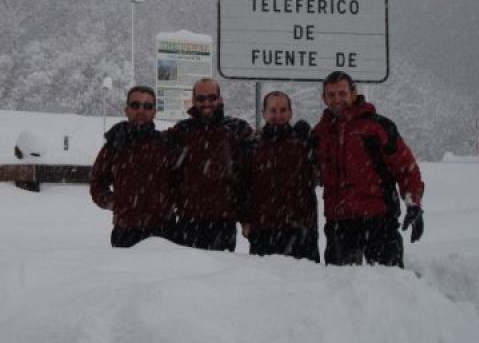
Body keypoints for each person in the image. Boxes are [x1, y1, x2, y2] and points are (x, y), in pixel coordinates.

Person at [312, 71, 424, 268]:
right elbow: (308, 172)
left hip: (379, 220)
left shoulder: (378, 127)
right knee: (340, 292)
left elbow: (405, 168)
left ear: (353, 94)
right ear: (324, 98)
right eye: (331, 95)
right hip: (339, 224)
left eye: (342, 93)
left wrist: (413, 203)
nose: (337, 100)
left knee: (391, 287)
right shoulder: (320, 133)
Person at [167, 78, 253, 251]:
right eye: (201, 98)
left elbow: (251, 173)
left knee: (220, 276)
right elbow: (152, 149)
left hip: (224, 223)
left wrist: (247, 217)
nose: (206, 103)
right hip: (188, 222)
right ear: (193, 101)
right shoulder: (181, 131)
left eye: (212, 98)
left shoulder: (237, 129)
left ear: (220, 100)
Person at [89, 86, 176, 248]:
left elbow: (183, 182)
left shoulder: (166, 145)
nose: (141, 110)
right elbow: (97, 183)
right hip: (125, 233)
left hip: (164, 233)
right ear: (126, 109)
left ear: (155, 111)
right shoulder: (115, 145)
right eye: (135, 105)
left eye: (147, 106)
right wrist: (116, 203)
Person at [241, 91, 319, 262]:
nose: (278, 115)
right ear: (264, 113)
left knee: (307, 286)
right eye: (273, 110)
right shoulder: (252, 145)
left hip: (300, 230)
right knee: (266, 284)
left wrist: (313, 141)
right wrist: (245, 220)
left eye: (283, 110)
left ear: (290, 113)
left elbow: (321, 172)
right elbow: (244, 185)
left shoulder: (304, 141)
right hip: (263, 230)